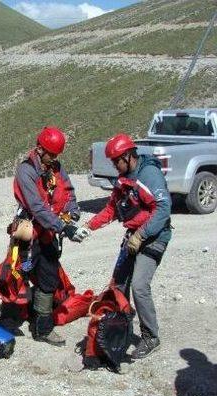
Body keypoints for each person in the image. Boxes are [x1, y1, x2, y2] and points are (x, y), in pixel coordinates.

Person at [81, 133, 171, 359]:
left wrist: (141, 235)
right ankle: (120, 328)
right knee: (119, 285)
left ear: (129, 156)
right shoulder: (123, 179)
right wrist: (88, 226)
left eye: (116, 161)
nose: (114, 166)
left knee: (139, 286)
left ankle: (151, 336)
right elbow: (112, 209)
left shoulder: (149, 175)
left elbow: (163, 209)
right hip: (133, 237)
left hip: (154, 236)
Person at [12, 126, 83, 346]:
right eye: (51, 154)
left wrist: (72, 212)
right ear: (40, 148)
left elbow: (68, 192)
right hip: (29, 233)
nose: (53, 159)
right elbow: (36, 206)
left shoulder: (56, 168)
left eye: (56, 155)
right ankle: (10, 317)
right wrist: (63, 227)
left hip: (50, 231)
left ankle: (42, 328)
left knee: (49, 277)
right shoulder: (25, 171)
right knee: (18, 276)